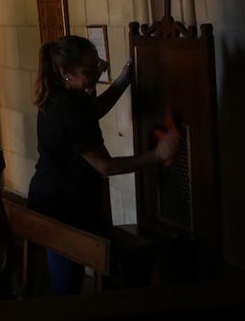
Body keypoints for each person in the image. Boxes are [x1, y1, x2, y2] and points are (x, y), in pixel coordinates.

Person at [27, 35, 180, 296]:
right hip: (64, 206)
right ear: (66, 72)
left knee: (65, 274)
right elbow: (105, 167)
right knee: (68, 284)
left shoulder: (59, 93)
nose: (95, 75)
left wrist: (121, 82)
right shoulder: (68, 108)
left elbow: (92, 111)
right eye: (89, 71)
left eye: (97, 66)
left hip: (47, 198)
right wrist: (156, 155)